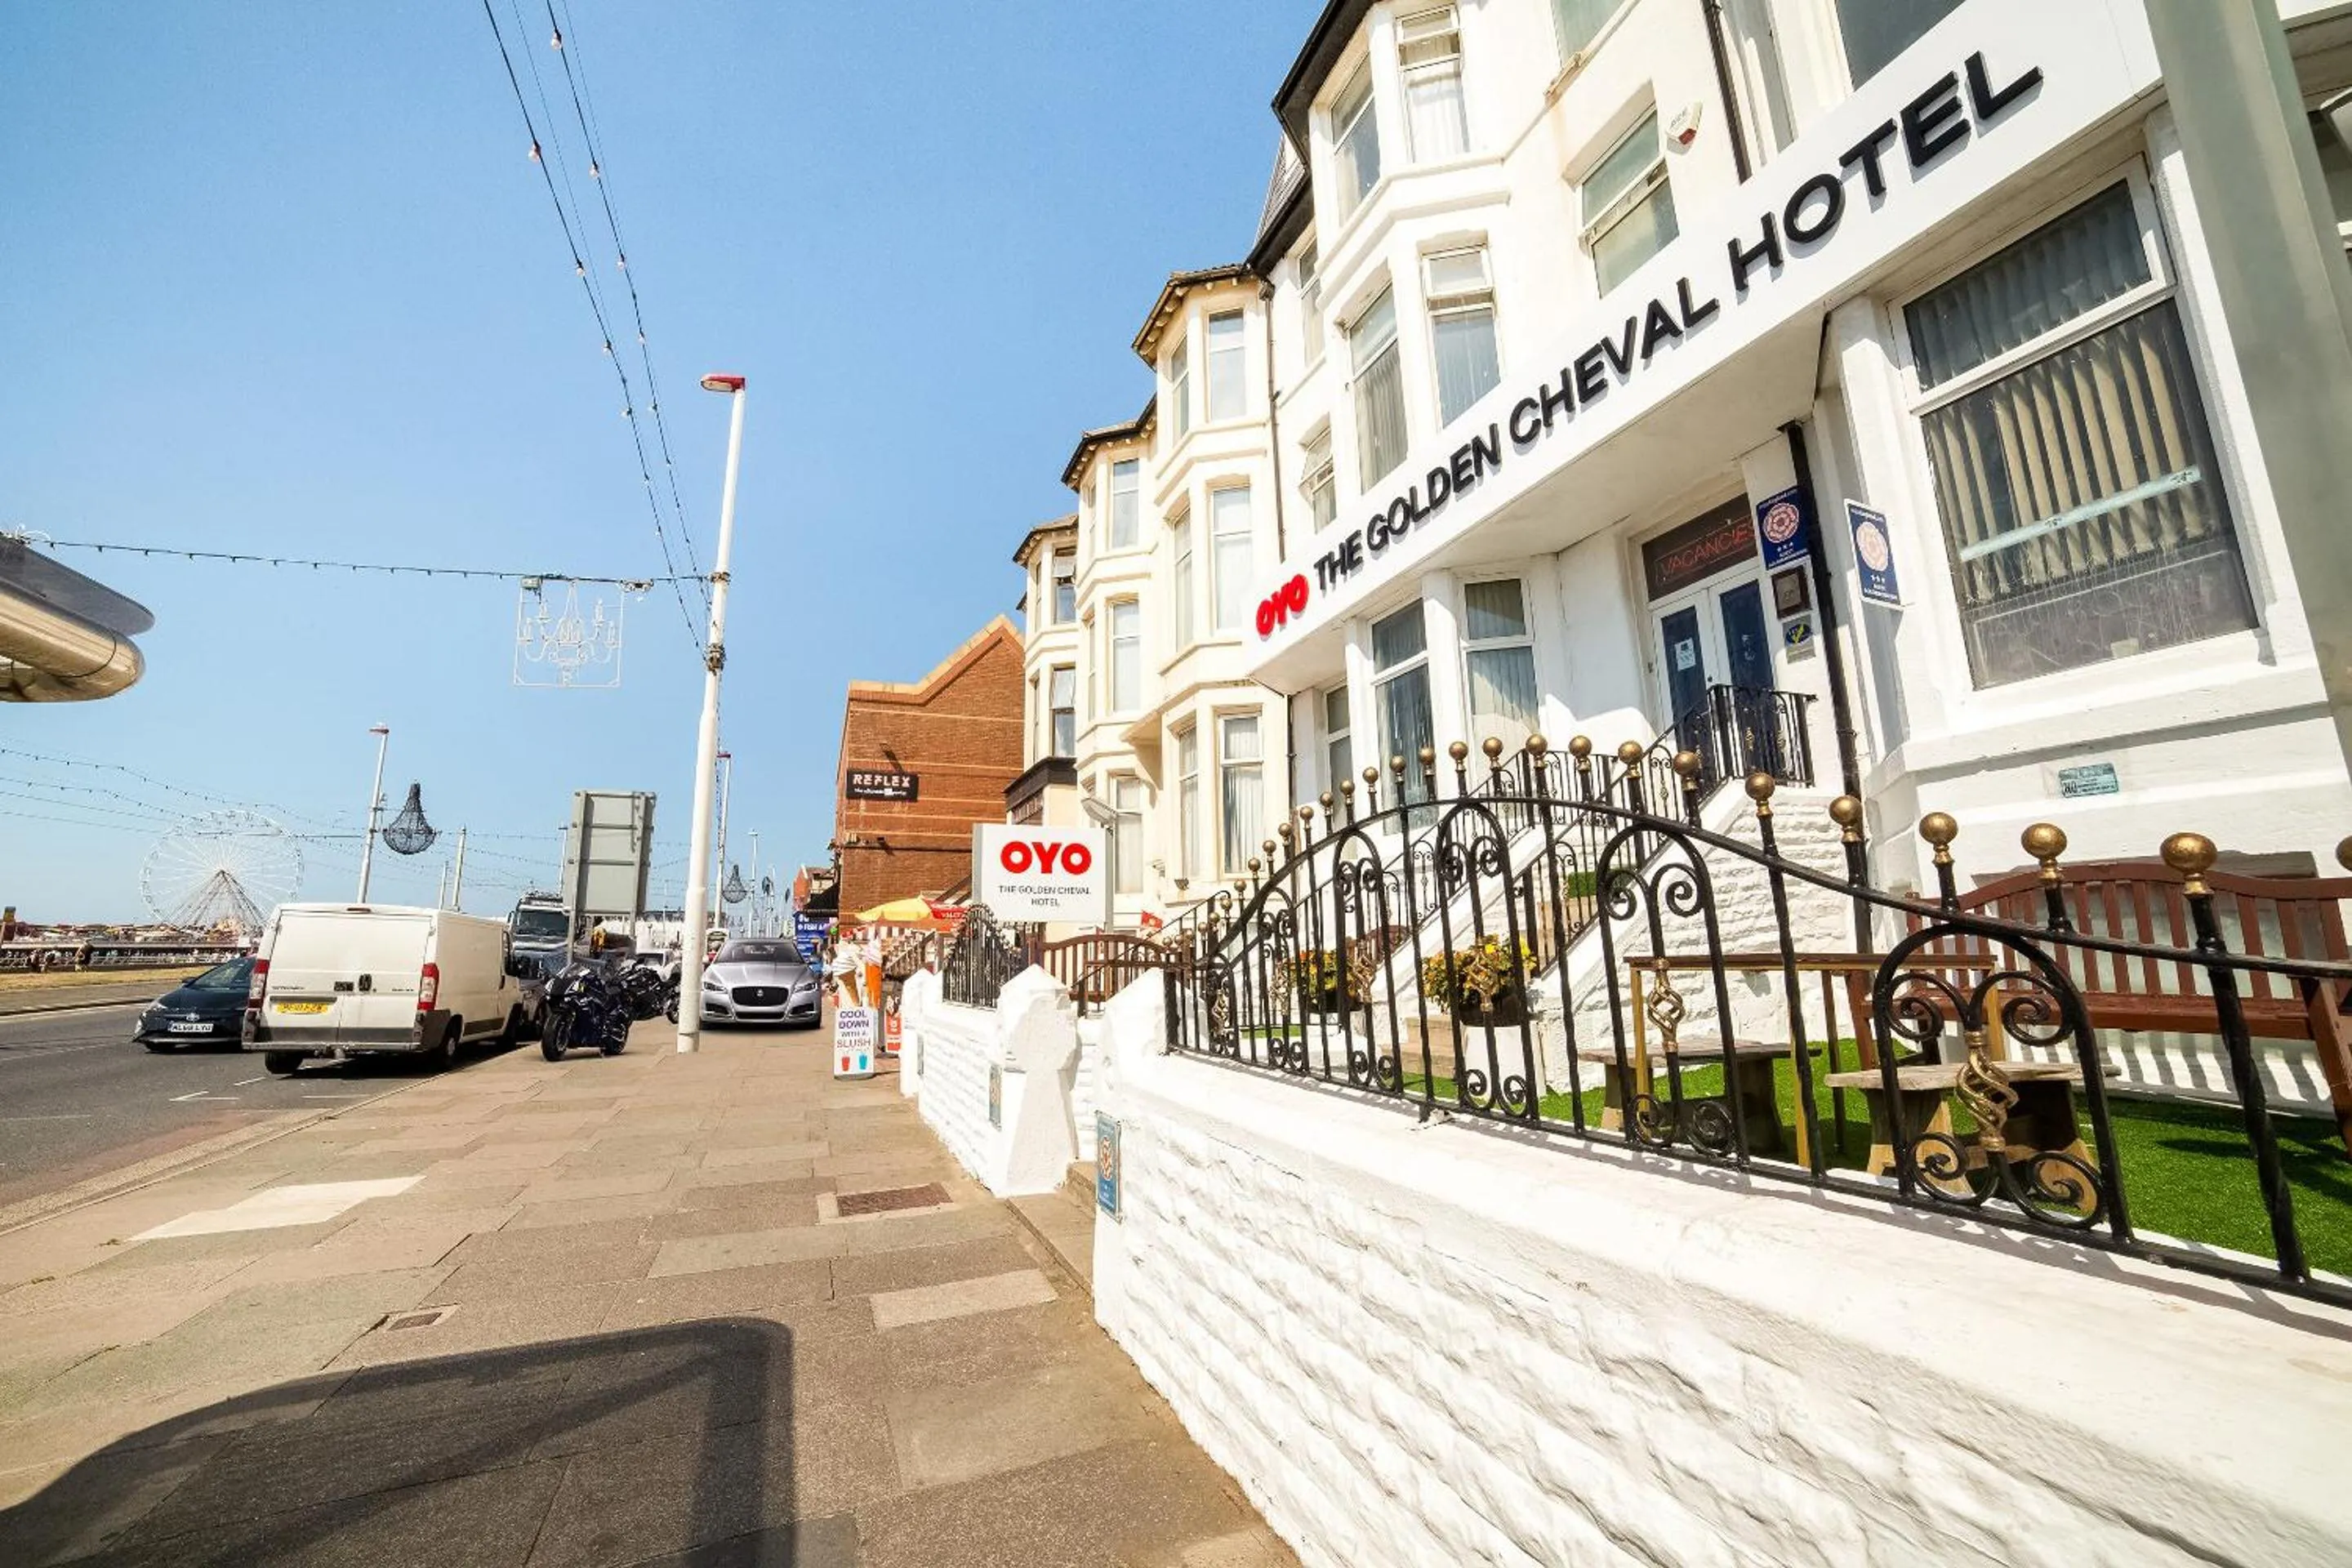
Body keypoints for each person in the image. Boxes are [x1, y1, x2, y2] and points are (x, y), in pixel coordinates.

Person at [828, 931, 863, 1007]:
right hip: (845, 970)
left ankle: (855, 1006)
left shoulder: (838, 948)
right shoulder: (851, 947)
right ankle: (856, 1006)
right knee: (850, 994)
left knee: (847, 994)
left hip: (841, 971)